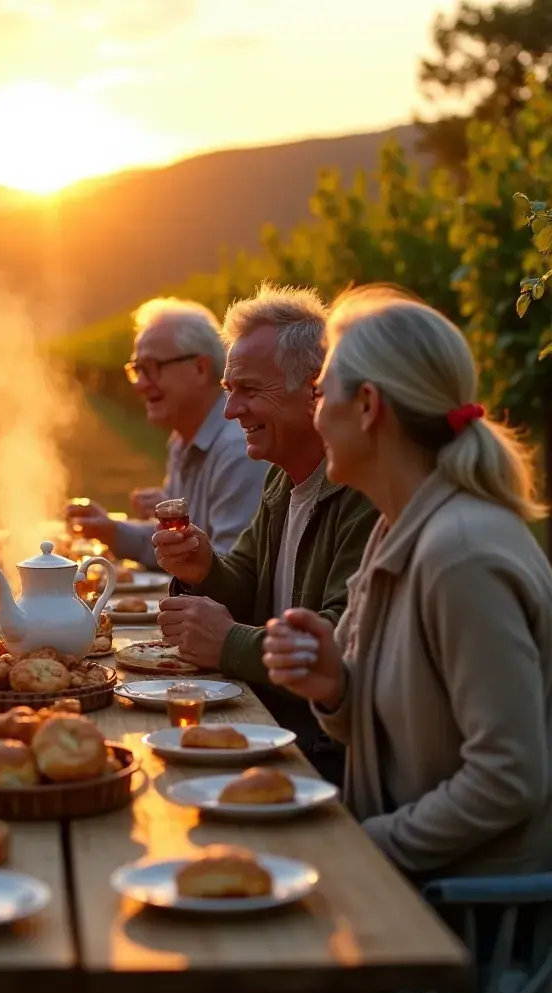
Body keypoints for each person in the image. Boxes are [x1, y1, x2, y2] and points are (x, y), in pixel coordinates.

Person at [262, 288, 552, 881]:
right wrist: (336, 684)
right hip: (419, 883)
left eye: (320, 395)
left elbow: (508, 776)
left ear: (367, 406)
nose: (316, 415)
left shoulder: (461, 555)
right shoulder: (401, 527)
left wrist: (366, 848)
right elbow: (410, 723)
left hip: (473, 921)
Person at [152, 283, 377, 784]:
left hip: (323, 756)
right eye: (231, 392)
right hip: (277, 727)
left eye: (250, 391)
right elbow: (252, 580)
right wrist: (204, 568)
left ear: (315, 389)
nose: (231, 412)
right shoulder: (283, 473)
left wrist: (230, 643)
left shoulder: (364, 493)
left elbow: (341, 639)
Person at [67, 297, 266, 563]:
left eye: (151, 368)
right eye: (137, 370)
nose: (139, 385)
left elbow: (228, 570)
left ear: (200, 368)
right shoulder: (182, 440)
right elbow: (174, 543)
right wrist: (110, 531)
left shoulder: (237, 448)